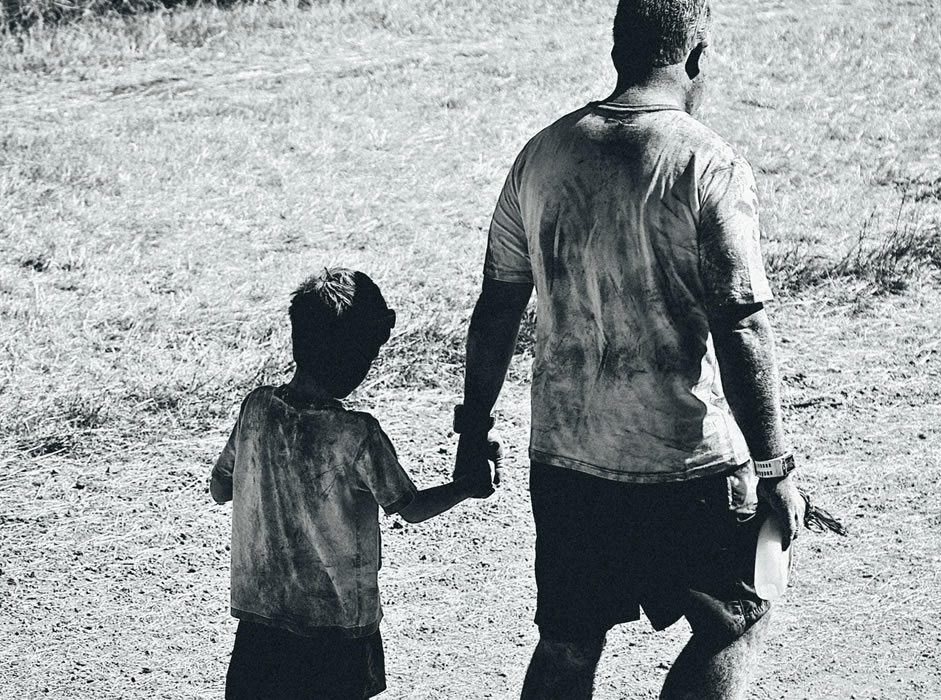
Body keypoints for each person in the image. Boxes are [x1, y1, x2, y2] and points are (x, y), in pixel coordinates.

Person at [451, 1, 807, 698]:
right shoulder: (707, 164)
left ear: (617, 51)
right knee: (734, 622)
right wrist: (775, 467)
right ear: (696, 58)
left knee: (566, 642)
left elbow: (496, 310)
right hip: (689, 464)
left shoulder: (542, 155)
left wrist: (473, 430)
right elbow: (740, 326)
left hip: (567, 462)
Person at [211, 268, 496, 699]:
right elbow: (411, 508)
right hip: (337, 629)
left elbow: (219, 488)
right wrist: (466, 486)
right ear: (358, 359)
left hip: (260, 624)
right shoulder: (357, 434)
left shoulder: (257, 409)